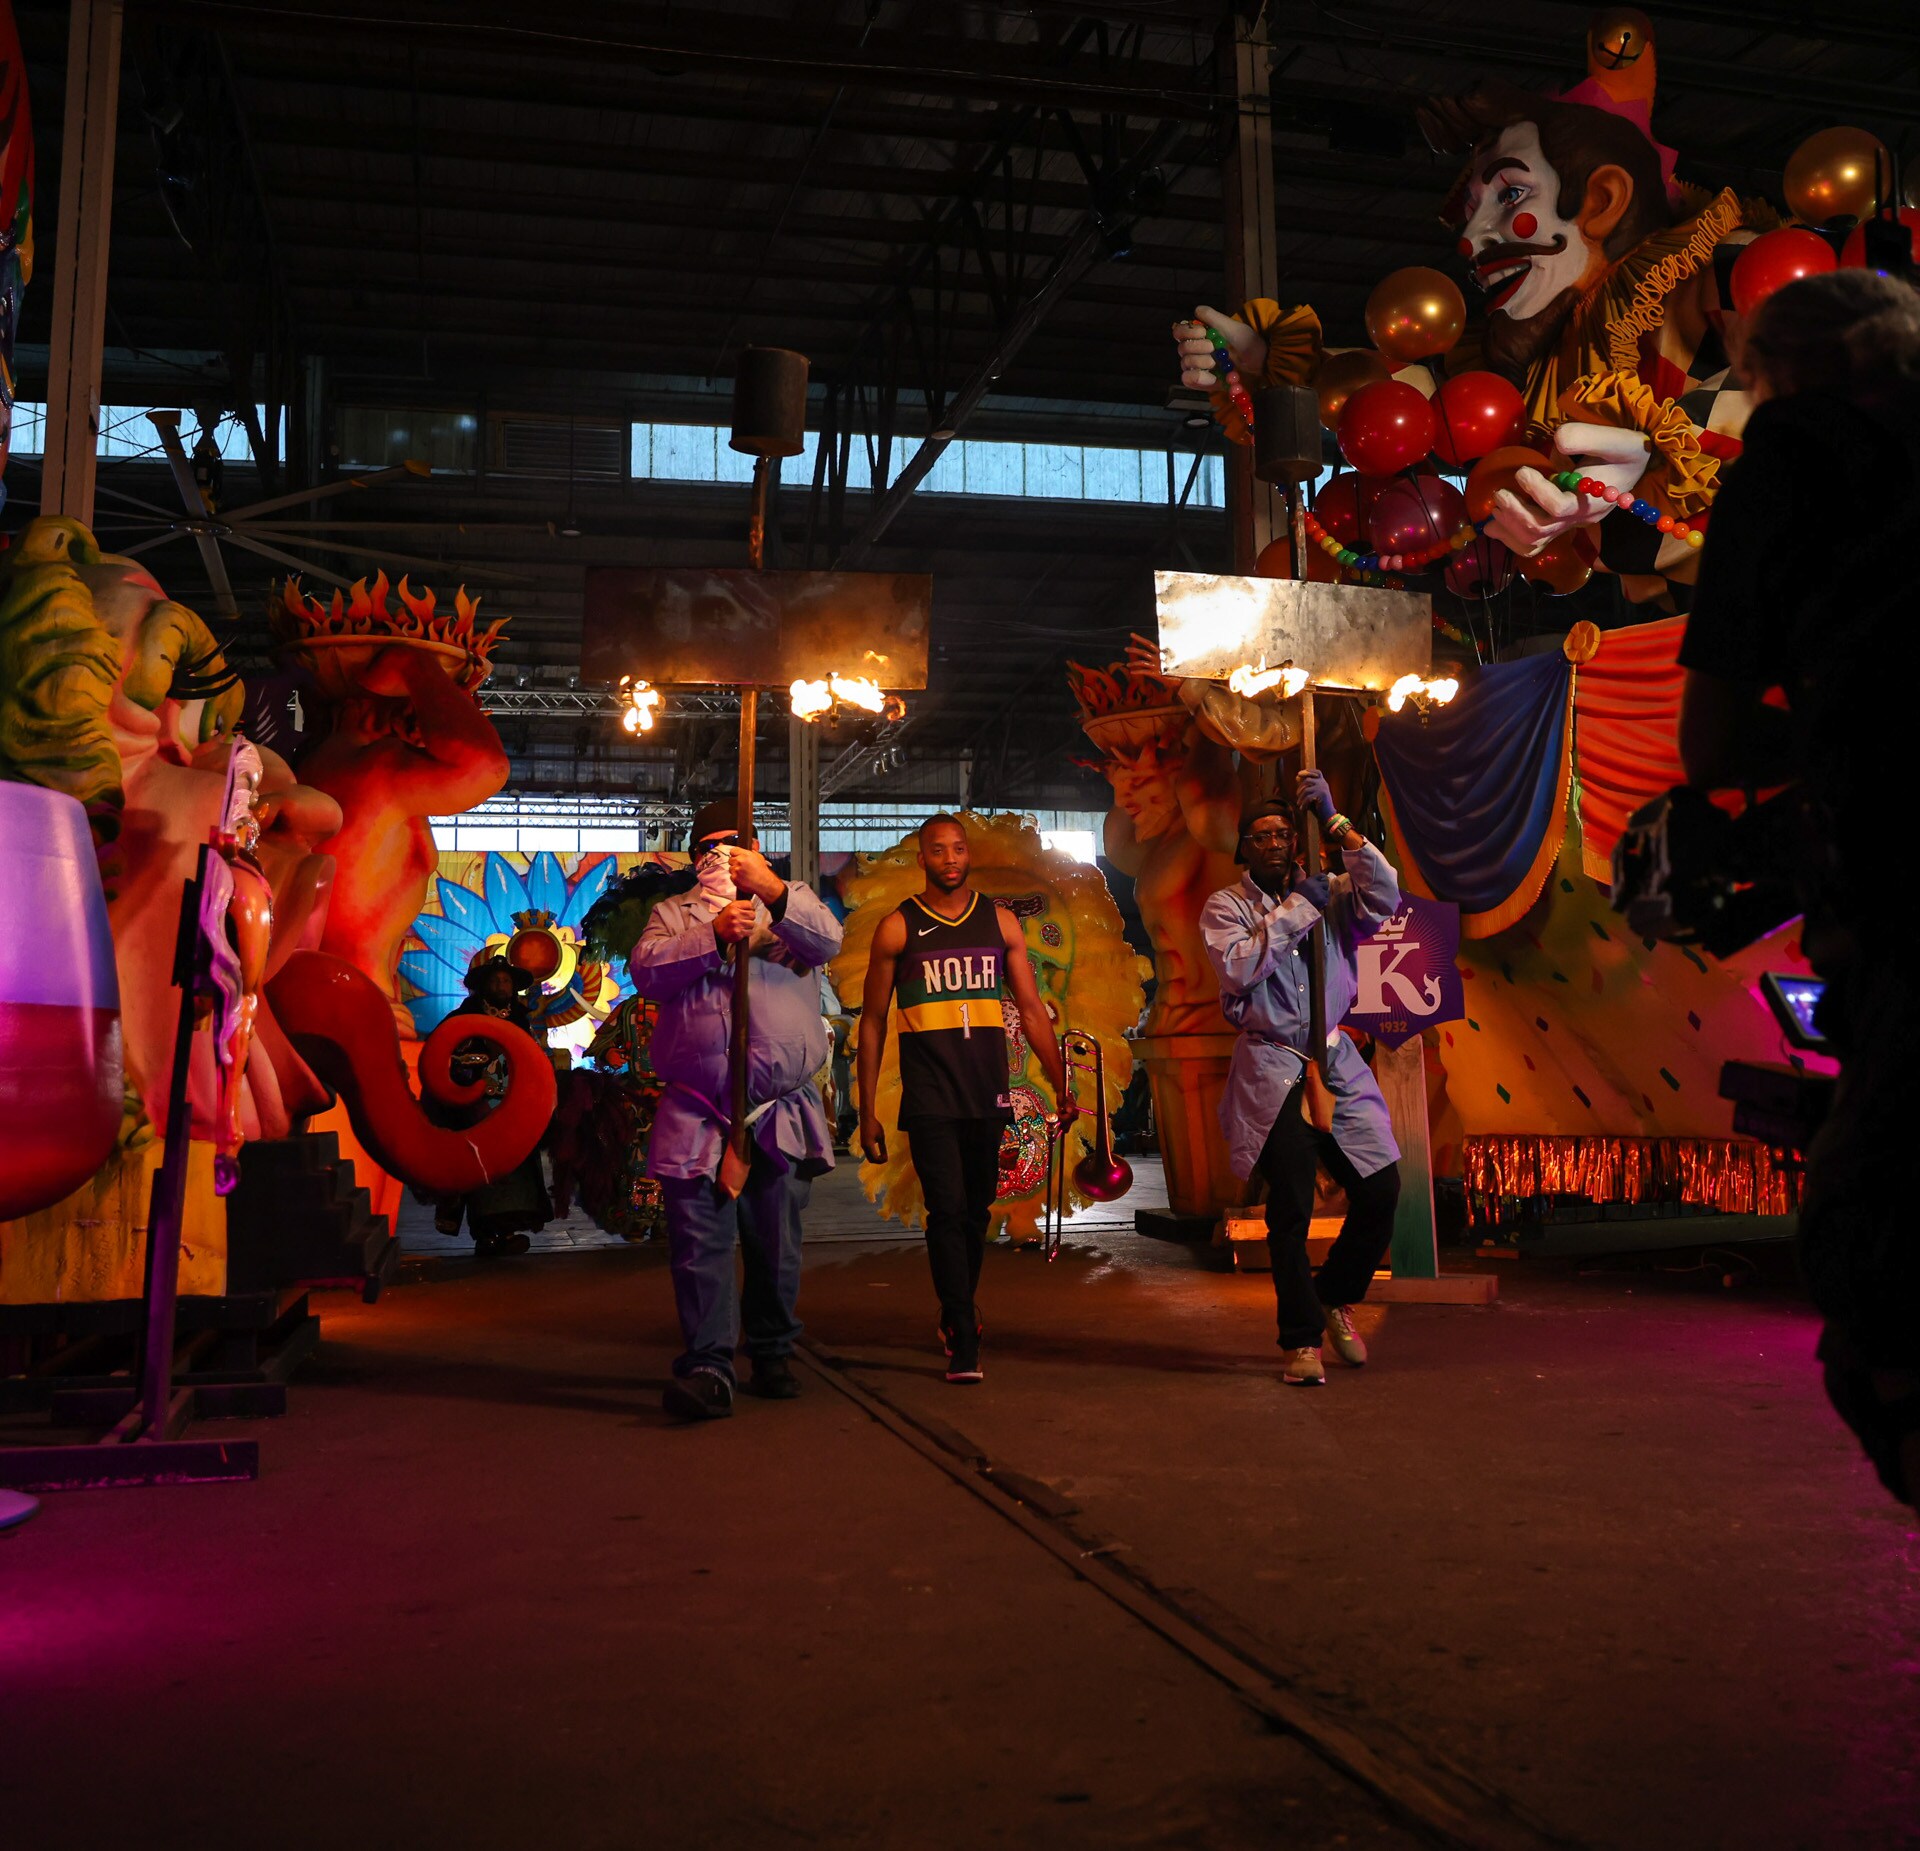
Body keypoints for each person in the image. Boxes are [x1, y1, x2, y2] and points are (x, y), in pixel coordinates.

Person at [1677, 267, 1920, 1509]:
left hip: (1894, 874)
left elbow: (1709, 741)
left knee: (1866, 1232)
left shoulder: (1791, 451)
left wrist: (1820, 746)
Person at [630, 798, 842, 1422]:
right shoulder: (673, 914)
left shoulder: (792, 902)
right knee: (700, 1243)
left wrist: (772, 893)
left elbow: (828, 942)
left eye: (734, 844)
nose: (721, 855)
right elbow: (647, 972)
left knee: (776, 1241)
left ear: (756, 849)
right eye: (710, 845)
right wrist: (712, 937)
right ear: (696, 855)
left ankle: (773, 1351)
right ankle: (708, 1366)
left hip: (778, 1111)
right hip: (697, 1111)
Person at [1199, 774, 1403, 1386]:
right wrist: (1298, 909)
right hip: (1273, 1066)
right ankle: (1301, 1341)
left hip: (1336, 1060)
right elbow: (1238, 969)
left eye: (1284, 833)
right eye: (1261, 837)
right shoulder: (1226, 907)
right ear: (1243, 849)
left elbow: (1388, 897)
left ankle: (1334, 1295)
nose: (1276, 843)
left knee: (1381, 1189)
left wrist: (1337, 823)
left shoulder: (1333, 889)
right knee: (1290, 1207)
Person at [856, 815, 1073, 1384]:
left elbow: (1030, 1010)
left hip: (987, 1093)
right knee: (947, 1212)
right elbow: (873, 1021)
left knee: (974, 1213)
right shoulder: (898, 929)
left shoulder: (1000, 923)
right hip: (929, 1098)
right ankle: (961, 1333)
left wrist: (1062, 1084)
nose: (950, 858)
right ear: (921, 859)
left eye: (957, 848)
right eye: (937, 850)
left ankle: (958, 1310)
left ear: (967, 854)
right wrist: (866, 1110)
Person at [432, 953, 553, 1257]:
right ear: (484, 985)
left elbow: (533, 1058)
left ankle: (509, 1231)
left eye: (506, 980)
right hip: (477, 1108)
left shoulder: (520, 1019)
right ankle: (485, 1234)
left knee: (515, 1170)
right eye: (496, 980)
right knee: (481, 1170)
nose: (501, 984)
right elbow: (445, 1050)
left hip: (514, 1108)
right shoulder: (465, 1017)